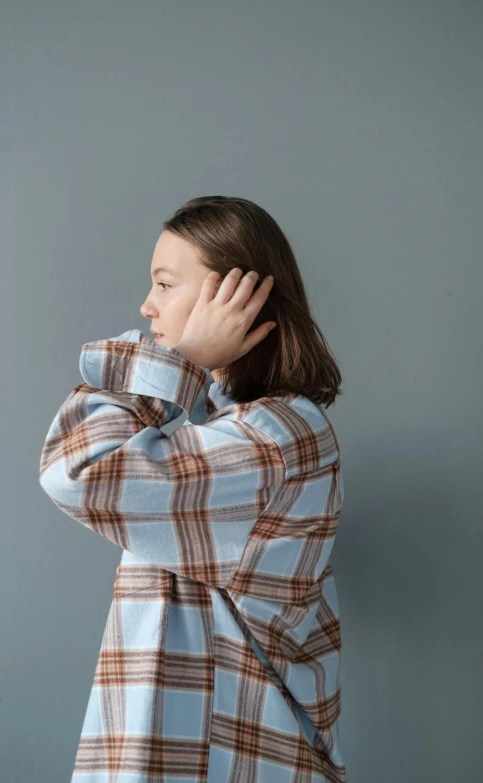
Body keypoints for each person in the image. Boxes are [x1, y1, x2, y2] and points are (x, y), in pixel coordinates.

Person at [39, 195, 346, 782]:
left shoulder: (276, 438)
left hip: (218, 758)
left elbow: (78, 472)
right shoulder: (224, 425)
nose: (146, 306)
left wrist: (182, 358)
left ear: (234, 295)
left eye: (163, 283)